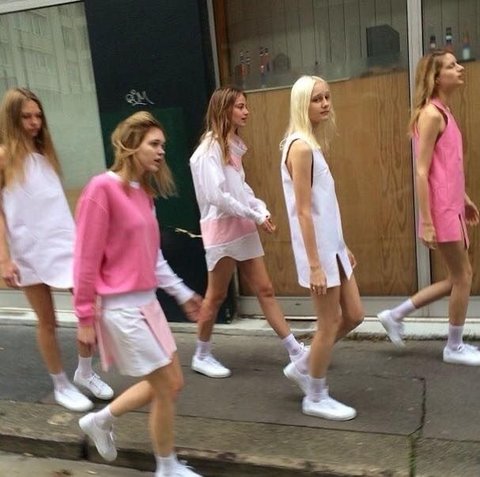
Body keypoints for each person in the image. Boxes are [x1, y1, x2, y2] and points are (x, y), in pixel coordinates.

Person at [74, 111, 203, 477]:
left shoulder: (144, 194)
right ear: (131, 145)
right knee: (166, 386)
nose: (161, 151)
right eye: (154, 144)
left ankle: (100, 420)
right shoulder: (101, 189)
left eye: (163, 145)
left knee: (172, 384)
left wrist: (182, 293)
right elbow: (85, 259)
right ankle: (166, 467)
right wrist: (85, 317)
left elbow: (153, 257)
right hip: (122, 310)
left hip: (148, 305)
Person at [0, 87, 113, 412]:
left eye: (38, 116)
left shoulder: (45, 153)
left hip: (63, 242)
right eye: (26, 117)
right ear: (12, 119)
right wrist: (4, 258)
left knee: (91, 307)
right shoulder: (4, 157)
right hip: (27, 248)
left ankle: (85, 371)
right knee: (47, 321)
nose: (34, 122)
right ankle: (60, 383)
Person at [189, 86, 309, 380]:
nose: (246, 112)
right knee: (216, 296)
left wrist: (260, 209)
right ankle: (201, 354)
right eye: (240, 106)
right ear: (224, 109)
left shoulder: (231, 145)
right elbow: (217, 197)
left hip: (241, 226)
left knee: (265, 289)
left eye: (245, 106)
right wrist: (254, 214)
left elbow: (240, 188)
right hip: (222, 231)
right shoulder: (208, 150)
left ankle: (295, 350)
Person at [377, 50, 480, 365]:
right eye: (451, 66)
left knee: (456, 278)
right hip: (442, 209)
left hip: (451, 205)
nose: (460, 68)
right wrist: (427, 221)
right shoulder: (432, 114)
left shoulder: (442, 111)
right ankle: (454, 347)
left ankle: (395, 315)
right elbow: (421, 171)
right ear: (436, 78)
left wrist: (464, 199)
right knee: (463, 276)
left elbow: (445, 167)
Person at [280, 75, 364, 420]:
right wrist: (315, 265)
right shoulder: (300, 147)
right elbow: (302, 211)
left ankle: (304, 364)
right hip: (319, 253)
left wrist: (342, 246)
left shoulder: (309, 145)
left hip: (333, 248)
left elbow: (323, 206)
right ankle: (315, 395)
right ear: (303, 104)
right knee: (328, 324)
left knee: (354, 315)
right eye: (317, 99)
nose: (325, 103)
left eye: (327, 97)